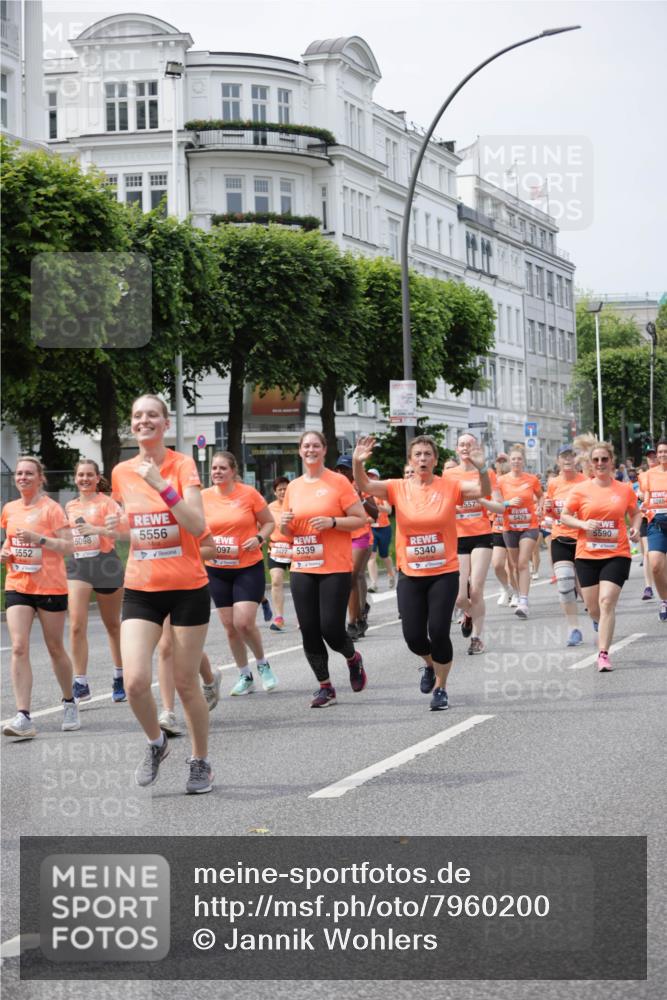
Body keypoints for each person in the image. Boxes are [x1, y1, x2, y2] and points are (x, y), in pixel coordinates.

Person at [111, 394, 213, 794]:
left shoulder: (182, 465)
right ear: (132, 424)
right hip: (142, 587)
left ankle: (201, 761)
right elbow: (132, 523)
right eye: (137, 415)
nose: (144, 420)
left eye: (152, 415)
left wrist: (161, 486)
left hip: (188, 588)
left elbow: (196, 524)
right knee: (135, 681)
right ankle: (156, 743)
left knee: (185, 683)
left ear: (165, 424)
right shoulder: (121, 471)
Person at [354, 434, 491, 710]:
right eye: (417, 454)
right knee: (414, 636)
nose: (423, 459)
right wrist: (358, 462)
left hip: (444, 572)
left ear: (436, 460)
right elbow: (365, 484)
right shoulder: (397, 487)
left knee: (439, 631)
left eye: (428, 454)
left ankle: (441, 688)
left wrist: (482, 468)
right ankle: (429, 664)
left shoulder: (449, 487)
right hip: (411, 573)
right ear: (410, 460)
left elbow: (482, 490)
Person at [281, 431, 367, 707]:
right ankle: (325, 686)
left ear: (324, 450)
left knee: (330, 627)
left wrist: (332, 522)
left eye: (315, 445)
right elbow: (287, 530)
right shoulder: (293, 487)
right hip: (303, 564)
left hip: (334, 565)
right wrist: (284, 524)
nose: (310, 450)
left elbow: (359, 519)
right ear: (299, 451)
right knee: (309, 629)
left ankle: (353, 659)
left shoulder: (338, 482)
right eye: (306, 446)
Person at [1, 457, 79, 738]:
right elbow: (10, 540)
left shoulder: (51, 510)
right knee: (19, 647)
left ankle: (69, 701)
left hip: (50, 587)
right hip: (18, 583)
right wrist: (5, 553)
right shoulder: (9, 509)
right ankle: (23, 716)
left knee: (55, 647)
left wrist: (40, 540)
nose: (22, 477)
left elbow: (69, 546)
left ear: (40, 478)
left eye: (28, 473)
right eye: (19, 473)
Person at [201, 451, 277, 696]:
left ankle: (263, 664)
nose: (217, 472)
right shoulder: (202, 497)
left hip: (247, 567)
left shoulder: (248, 494)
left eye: (223, 468)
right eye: (214, 468)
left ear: (233, 471)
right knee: (230, 627)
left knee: (243, 622)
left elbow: (269, 522)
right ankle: (245, 675)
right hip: (217, 569)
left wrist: (259, 538)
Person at [561, 441, 641, 671]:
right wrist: (584, 524)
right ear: (590, 464)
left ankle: (603, 654)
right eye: (595, 460)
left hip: (617, 553)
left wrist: (634, 527)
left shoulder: (623, 489)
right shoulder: (581, 490)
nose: (600, 463)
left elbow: (635, 513)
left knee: (607, 602)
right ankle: (600, 623)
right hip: (587, 554)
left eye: (604, 459)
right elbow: (565, 516)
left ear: (611, 461)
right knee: (593, 606)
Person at [64, 459, 126, 703]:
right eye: (81, 475)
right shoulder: (70, 505)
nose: (85, 479)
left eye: (89, 475)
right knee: (76, 624)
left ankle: (120, 676)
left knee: (112, 624)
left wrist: (97, 531)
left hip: (105, 563)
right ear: (75, 478)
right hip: (79, 564)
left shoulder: (108, 503)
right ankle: (80, 682)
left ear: (97, 477)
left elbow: (120, 532)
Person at [443, 433, 503, 655]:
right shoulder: (448, 475)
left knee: (476, 590)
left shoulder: (487, 473)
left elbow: (500, 508)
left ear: (477, 447)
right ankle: (468, 613)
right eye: (461, 444)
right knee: (459, 597)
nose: (465, 447)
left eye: (469, 443)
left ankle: (477, 637)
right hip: (456, 537)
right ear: (457, 449)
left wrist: (481, 499)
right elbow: (441, 503)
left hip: (480, 535)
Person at [544, 447, 587, 646]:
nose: (567, 460)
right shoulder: (553, 483)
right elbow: (552, 514)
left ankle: (596, 617)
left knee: (588, 590)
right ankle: (574, 629)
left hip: (583, 540)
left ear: (576, 460)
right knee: (564, 583)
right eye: (564, 457)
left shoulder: (586, 482)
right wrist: (548, 510)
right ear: (558, 461)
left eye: (570, 456)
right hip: (560, 537)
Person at [334, 454, 378, 639]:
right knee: (352, 578)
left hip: (360, 536)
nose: (342, 473)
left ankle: (351, 623)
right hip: (340, 537)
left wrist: (360, 498)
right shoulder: (333, 487)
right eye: (339, 469)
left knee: (352, 576)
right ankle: (360, 616)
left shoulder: (361, 486)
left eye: (346, 469)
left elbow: (375, 513)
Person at [497, 444, 543, 619]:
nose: (516, 461)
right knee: (514, 565)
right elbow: (496, 503)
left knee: (523, 562)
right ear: (510, 461)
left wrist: (539, 508)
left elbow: (540, 495)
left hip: (529, 526)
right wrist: (508, 504)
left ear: (523, 461)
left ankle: (523, 601)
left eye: (519, 459)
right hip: (509, 527)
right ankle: (518, 593)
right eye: (513, 459)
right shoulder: (501, 481)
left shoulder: (531, 479)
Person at [641, 439, 667, 622]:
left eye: (666, 451)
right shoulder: (649, 475)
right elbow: (647, 498)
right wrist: (645, 505)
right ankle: (664, 600)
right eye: (660, 452)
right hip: (656, 524)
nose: (663, 455)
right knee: (656, 565)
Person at [490, 454, 517, 605]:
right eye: (498, 462)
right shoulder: (493, 482)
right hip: (498, 527)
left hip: (513, 528)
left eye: (504, 461)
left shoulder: (515, 481)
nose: (501, 464)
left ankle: (517, 593)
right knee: (497, 564)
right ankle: (506, 589)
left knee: (512, 564)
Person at [267, 476, 292, 631]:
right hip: (276, 549)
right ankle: (279, 618)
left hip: (295, 548)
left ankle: (303, 617)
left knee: (299, 585)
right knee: (276, 580)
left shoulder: (297, 505)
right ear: (275, 492)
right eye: (280, 489)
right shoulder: (269, 508)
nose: (283, 492)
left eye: (285, 489)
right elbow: (261, 524)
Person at [366, 468, 396, 593]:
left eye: (373, 476)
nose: (371, 478)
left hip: (384, 528)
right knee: (371, 556)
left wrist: (377, 507)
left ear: (378, 478)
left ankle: (391, 574)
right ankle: (373, 584)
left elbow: (389, 510)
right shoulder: (364, 493)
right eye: (369, 476)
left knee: (384, 555)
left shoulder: (382, 492)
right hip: (370, 529)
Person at [638, 447, 659, 600]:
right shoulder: (643, 476)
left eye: (654, 456)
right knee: (647, 552)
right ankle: (648, 587)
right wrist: (639, 495)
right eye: (649, 456)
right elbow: (640, 493)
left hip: (661, 517)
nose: (651, 459)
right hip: (646, 517)